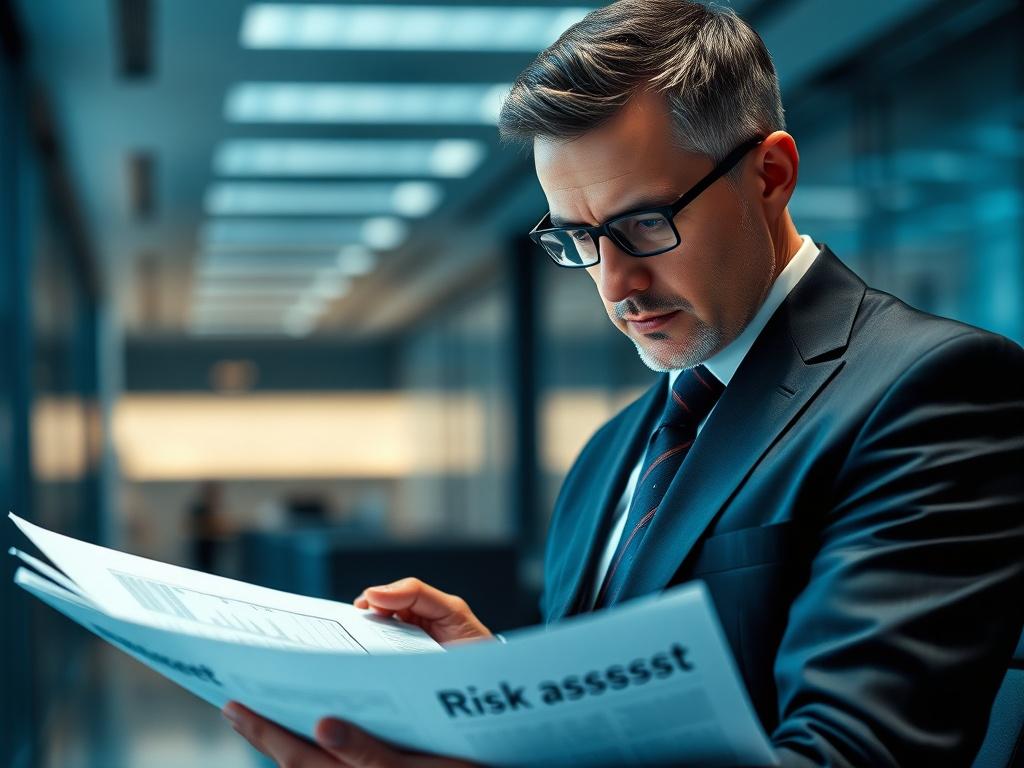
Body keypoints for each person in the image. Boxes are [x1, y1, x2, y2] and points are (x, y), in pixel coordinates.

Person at [222, 1, 1024, 766]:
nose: (615, 285)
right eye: (578, 238)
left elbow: (851, 753)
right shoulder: (610, 453)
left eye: (644, 224)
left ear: (771, 175)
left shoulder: (934, 391)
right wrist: (497, 684)